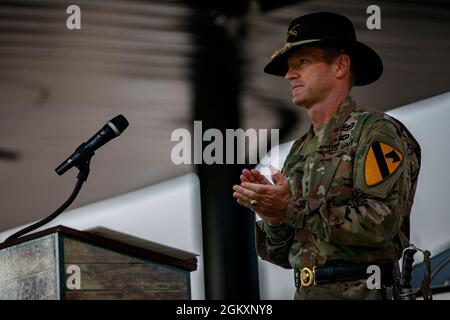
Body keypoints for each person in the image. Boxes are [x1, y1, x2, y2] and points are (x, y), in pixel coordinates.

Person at [232, 12, 421, 300]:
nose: (289, 74)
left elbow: (379, 224)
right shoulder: (299, 150)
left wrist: (290, 207)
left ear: (341, 65)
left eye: (302, 62)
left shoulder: (376, 132)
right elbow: (283, 254)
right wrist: (273, 217)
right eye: (289, 66)